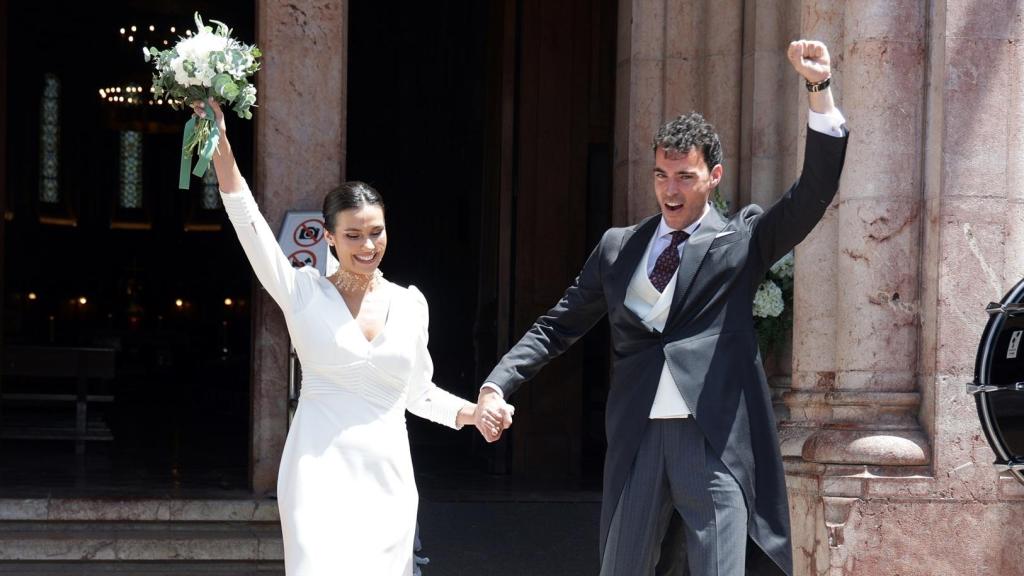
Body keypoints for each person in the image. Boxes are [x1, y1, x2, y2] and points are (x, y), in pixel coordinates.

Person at [476, 40, 849, 575]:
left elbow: (812, 192)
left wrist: (819, 90)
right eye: (660, 176)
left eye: (684, 177)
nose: (670, 191)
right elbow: (558, 325)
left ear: (714, 177)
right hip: (639, 438)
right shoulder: (618, 247)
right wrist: (498, 383)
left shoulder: (740, 241)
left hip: (712, 438)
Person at [193, 100, 510, 575]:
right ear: (329, 238)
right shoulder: (302, 292)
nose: (368, 245)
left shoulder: (411, 303)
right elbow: (246, 217)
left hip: (388, 480)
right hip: (316, 474)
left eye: (377, 233)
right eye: (354, 235)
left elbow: (418, 393)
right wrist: (218, 140)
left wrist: (473, 414)